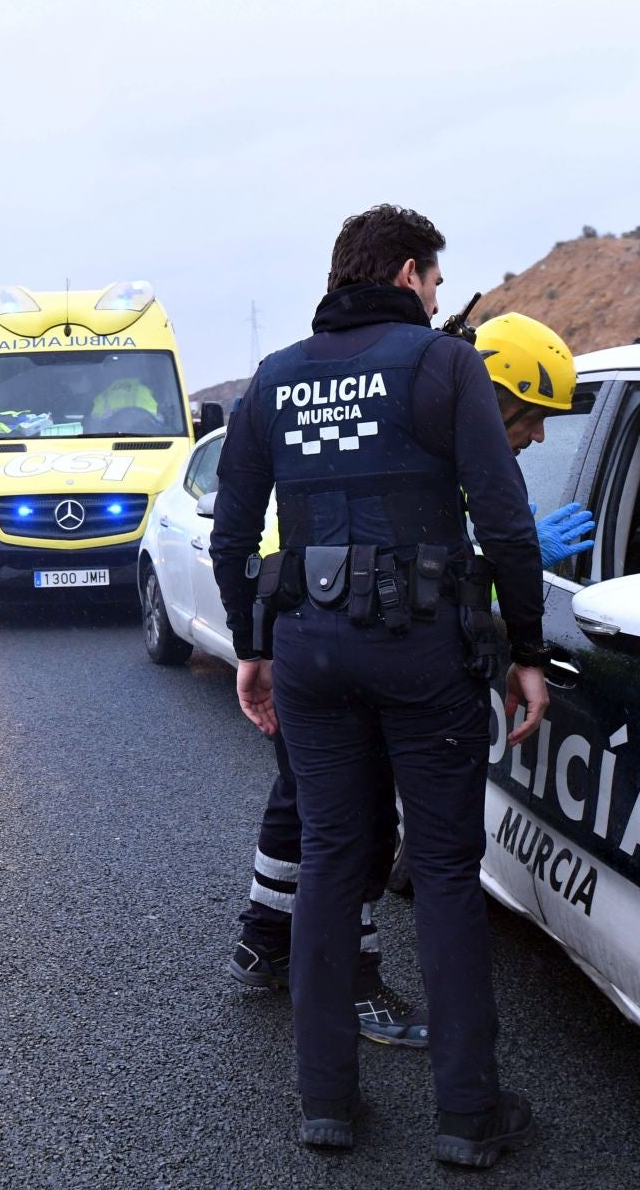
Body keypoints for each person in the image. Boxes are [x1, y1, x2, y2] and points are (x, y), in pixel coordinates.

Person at [209, 205, 549, 1165]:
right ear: (407, 272)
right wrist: (527, 652)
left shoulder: (274, 379)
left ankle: (327, 1106)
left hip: (310, 649)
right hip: (420, 650)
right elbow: (508, 523)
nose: (439, 297)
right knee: (441, 871)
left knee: (329, 859)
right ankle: (468, 1117)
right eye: (436, 282)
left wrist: (252, 648)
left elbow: (234, 538)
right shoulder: (444, 366)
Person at [228, 310, 596, 1051]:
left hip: (304, 644)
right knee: (352, 833)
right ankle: (351, 987)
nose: (541, 436)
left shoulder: (414, 426)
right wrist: (511, 581)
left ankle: (264, 939)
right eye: (535, 416)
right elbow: (433, 582)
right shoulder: (432, 443)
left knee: (306, 807)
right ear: (496, 395)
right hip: (348, 642)